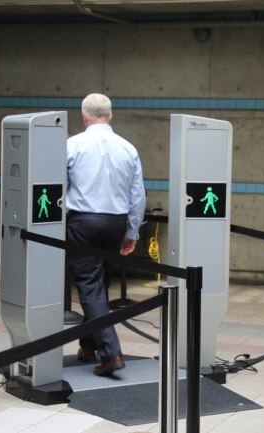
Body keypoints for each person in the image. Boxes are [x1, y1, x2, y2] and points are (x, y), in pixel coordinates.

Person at [66, 93, 146, 376]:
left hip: (83, 223)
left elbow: (57, 190)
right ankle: (88, 346)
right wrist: (132, 231)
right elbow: (137, 196)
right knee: (99, 284)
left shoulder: (71, 146)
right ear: (110, 116)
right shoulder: (128, 148)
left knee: (89, 285)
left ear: (83, 116)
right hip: (116, 222)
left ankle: (111, 354)